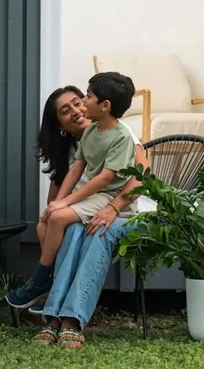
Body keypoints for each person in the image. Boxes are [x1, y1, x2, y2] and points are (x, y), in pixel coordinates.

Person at [12, 84, 151, 348]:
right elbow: (56, 200)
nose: (77, 110)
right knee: (74, 228)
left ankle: (71, 319)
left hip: (128, 209)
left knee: (98, 230)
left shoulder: (120, 133)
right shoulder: (74, 148)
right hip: (92, 207)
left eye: (79, 101)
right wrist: (54, 211)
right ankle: (54, 318)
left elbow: (141, 178)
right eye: (66, 110)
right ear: (60, 125)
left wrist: (112, 208)